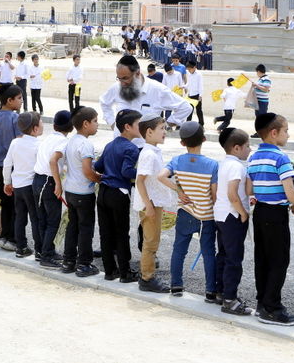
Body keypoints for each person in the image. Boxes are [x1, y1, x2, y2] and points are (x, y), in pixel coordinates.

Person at [246, 112, 294, 325]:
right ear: (274, 132)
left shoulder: (254, 157)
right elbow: (290, 190)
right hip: (276, 214)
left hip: (259, 212)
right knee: (279, 260)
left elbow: (250, 187)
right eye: (286, 131)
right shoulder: (280, 158)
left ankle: (262, 302)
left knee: (262, 259)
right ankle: (273, 307)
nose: (288, 135)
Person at [159, 122, 219, 301]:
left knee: (179, 250)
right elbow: (214, 195)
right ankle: (210, 291)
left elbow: (161, 176)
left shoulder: (177, 160)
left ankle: (176, 285)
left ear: (182, 143)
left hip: (185, 211)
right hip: (206, 215)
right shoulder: (212, 165)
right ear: (204, 139)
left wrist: (179, 191)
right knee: (208, 252)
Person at [93, 109, 142, 284]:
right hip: (119, 192)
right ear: (128, 127)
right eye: (138, 125)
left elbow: (98, 166)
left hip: (104, 192)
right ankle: (125, 272)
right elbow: (126, 171)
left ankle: (109, 271)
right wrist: (144, 173)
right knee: (121, 233)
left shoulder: (110, 144)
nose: (141, 127)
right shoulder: (132, 148)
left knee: (106, 233)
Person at [133, 116, 176, 292]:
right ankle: (147, 278)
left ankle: (147, 275)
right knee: (150, 242)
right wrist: (148, 205)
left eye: (165, 128)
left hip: (153, 202)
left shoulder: (153, 151)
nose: (165, 132)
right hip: (149, 204)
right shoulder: (149, 154)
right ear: (149, 132)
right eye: (161, 128)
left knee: (152, 241)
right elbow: (140, 181)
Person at [214, 128, 254, 316]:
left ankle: (220, 292)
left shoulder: (224, 164)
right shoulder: (237, 166)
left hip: (220, 215)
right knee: (234, 259)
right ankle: (230, 300)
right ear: (237, 148)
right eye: (247, 146)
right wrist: (243, 213)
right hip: (232, 215)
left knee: (223, 254)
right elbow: (233, 194)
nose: (250, 149)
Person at [61, 106, 101, 277]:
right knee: (85, 228)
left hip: (70, 189)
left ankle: (68, 261)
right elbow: (87, 170)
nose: (97, 125)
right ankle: (84, 264)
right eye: (95, 121)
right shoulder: (86, 144)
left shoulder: (71, 141)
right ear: (86, 124)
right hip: (83, 192)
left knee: (73, 226)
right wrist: (99, 178)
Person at [0, 84, 24, 250]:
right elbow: (20, 143)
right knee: (17, 205)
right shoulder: (15, 118)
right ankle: (14, 239)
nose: (22, 101)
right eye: (19, 98)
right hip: (14, 168)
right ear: (9, 101)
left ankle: (4, 236)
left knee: (5, 204)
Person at [34, 110, 70, 270]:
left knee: (43, 219)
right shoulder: (63, 141)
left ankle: (45, 251)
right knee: (53, 221)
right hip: (48, 182)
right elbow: (53, 160)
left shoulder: (49, 137)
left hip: (38, 180)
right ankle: (47, 255)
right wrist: (58, 183)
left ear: (54, 125)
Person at [3, 111, 43, 258]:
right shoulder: (39, 144)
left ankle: (21, 247)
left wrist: (7, 182)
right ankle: (39, 250)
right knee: (35, 218)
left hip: (17, 185)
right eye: (41, 123)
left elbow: (7, 164)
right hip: (31, 186)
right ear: (35, 128)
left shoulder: (15, 142)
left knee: (20, 217)